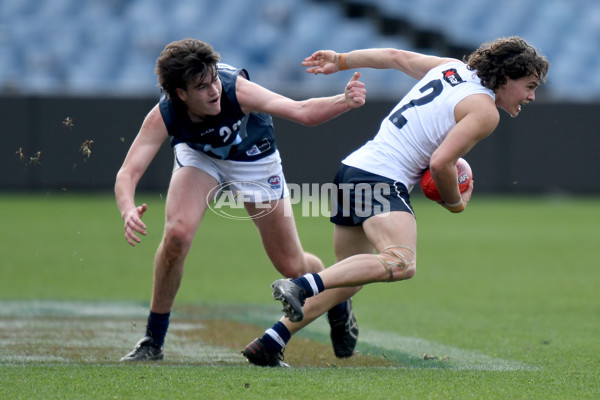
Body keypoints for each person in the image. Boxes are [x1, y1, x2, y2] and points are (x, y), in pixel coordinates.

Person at [242, 36, 549, 367]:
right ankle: (301, 285)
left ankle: (271, 342)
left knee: (349, 278)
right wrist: (455, 203)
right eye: (529, 85)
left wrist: (341, 59)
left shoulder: (451, 68)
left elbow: (394, 56)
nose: (532, 95)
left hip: (353, 168)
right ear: (505, 77)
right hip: (380, 178)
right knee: (401, 262)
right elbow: (441, 163)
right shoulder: (485, 111)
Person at [115, 38, 366, 362]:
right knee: (176, 235)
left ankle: (335, 297)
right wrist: (127, 210)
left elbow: (302, 112)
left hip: (254, 158)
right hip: (200, 157)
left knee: (291, 265)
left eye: (214, 79)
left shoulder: (237, 89)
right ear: (181, 94)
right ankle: (153, 340)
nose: (214, 90)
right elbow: (128, 173)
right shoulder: (166, 113)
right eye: (202, 87)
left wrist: (343, 100)